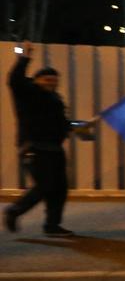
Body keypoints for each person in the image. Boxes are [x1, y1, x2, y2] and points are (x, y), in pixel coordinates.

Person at [5, 43, 94, 235]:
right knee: (45, 186)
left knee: (60, 189)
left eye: (54, 81)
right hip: (34, 148)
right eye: (47, 80)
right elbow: (13, 80)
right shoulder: (27, 92)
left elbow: (62, 124)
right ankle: (14, 210)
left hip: (54, 149)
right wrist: (24, 58)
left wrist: (81, 128)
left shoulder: (55, 100)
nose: (51, 83)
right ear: (36, 80)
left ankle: (52, 225)